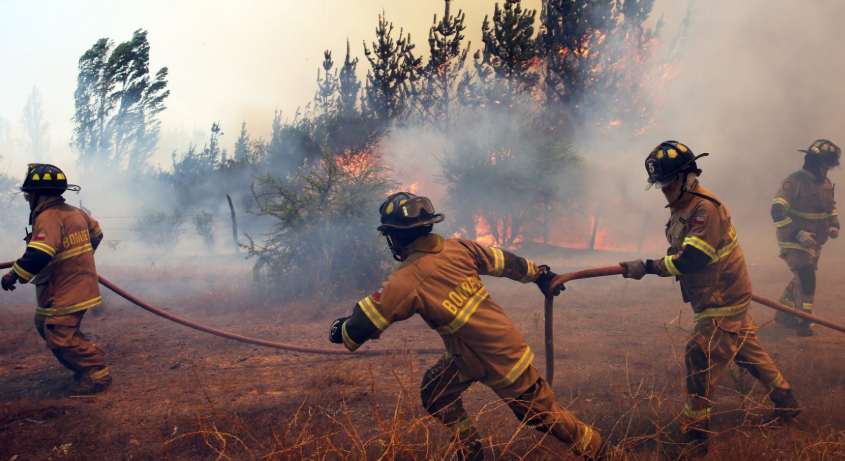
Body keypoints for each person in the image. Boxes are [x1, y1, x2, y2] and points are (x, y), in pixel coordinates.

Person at [328, 192, 606, 460]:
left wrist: (339, 330)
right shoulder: (458, 248)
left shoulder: (407, 279)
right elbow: (505, 262)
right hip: (470, 355)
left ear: (395, 238)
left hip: (499, 357)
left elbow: (360, 326)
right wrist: (539, 274)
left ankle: (600, 450)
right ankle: (470, 451)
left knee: (540, 414)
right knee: (436, 392)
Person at [619, 141, 799, 453]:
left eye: (668, 180)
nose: (664, 188)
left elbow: (693, 259)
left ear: (689, 176)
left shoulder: (705, 209)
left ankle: (695, 437)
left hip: (721, 298)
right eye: (659, 183)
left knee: (699, 357)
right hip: (718, 295)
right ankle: (787, 402)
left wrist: (647, 267)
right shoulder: (683, 207)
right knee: (747, 351)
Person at [1, 164, 111, 396]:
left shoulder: (48, 217)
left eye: (29, 194)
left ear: (38, 194)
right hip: (72, 285)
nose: (28, 198)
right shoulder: (75, 212)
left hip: (66, 288)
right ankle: (84, 360)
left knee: (58, 332)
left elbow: (39, 253)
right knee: (44, 323)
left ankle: (96, 374)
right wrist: (81, 259)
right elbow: (97, 233)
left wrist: (13, 274)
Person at [771, 139, 840, 337]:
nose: (826, 171)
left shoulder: (825, 183)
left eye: (829, 167)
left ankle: (784, 314)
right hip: (793, 240)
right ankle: (803, 322)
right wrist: (798, 234)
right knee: (807, 276)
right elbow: (777, 211)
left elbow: (831, 208)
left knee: (801, 279)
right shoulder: (794, 182)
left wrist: (834, 225)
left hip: (815, 241)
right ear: (813, 162)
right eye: (824, 166)